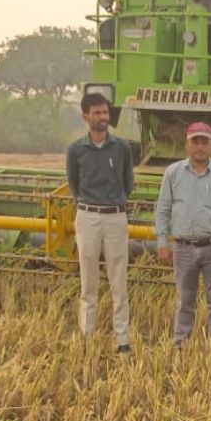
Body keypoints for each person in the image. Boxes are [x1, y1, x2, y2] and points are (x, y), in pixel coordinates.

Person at [154, 121, 211, 352]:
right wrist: (162, 242)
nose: (200, 147)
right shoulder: (173, 173)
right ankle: (180, 345)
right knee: (185, 302)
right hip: (183, 247)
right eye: (196, 142)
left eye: (205, 142)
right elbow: (163, 209)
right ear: (187, 144)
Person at [65, 93, 134, 352]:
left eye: (105, 113)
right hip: (87, 216)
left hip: (116, 216)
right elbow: (74, 183)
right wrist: (87, 206)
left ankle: (122, 341)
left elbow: (128, 183)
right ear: (85, 116)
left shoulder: (122, 148)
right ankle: (87, 339)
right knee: (88, 283)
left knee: (119, 282)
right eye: (97, 113)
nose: (103, 117)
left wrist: (115, 204)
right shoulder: (76, 150)